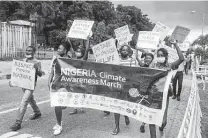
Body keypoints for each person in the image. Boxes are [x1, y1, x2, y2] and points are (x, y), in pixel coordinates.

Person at [147, 39, 184, 138]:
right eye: (158, 55)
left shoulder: (170, 66)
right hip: (153, 94)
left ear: (165, 56)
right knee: (152, 118)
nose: (159, 57)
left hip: (164, 95)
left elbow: (181, 58)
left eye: (161, 55)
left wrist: (175, 44)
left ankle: (161, 128)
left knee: (163, 121)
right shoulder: (153, 65)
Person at [9, 46, 45, 131]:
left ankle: (18, 123)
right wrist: (13, 81)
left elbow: (40, 74)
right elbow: (18, 72)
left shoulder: (37, 62)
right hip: (24, 84)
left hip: (31, 85)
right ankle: (37, 112)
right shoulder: (23, 61)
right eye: (27, 50)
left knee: (24, 101)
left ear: (33, 52)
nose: (28, 52)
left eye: (30, 51)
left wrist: (37, 68)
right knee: (30, 99)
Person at [112, 44, 136, 135]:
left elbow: (133, 73)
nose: (124, 51)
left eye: (126, 50)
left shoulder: (132, 61)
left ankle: (126, 115)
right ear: (120, 51)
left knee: (125, 103)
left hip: (127, 86)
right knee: (116, 105)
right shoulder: (115, 59)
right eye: (123, 50)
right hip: (116, 85)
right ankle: (117, 127)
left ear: (129, 52)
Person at [48, 42, 71, 136]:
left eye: (60, 49)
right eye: (58, 48)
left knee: (60, 105)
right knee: (56, 105)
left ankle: (58, 124)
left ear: (65, 50)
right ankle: (59, 123)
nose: (58, 50)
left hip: (63, 86)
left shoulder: (69, 60)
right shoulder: (55, 58)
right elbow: (52, 71)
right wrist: (49, 81)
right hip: (55, 84)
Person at [68, 38, 90, 115]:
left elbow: (87, 49)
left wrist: (88, 39)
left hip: (82, 80)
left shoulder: (83, 59)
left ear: (82, 53)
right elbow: (71, 47)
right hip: (74, 80)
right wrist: (68, 38)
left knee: (82, 93)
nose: (77, 52)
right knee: (74, 94)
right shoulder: (74, 58)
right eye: (77, 51)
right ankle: (74, 108)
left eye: (79, 51)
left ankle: (82, 107)